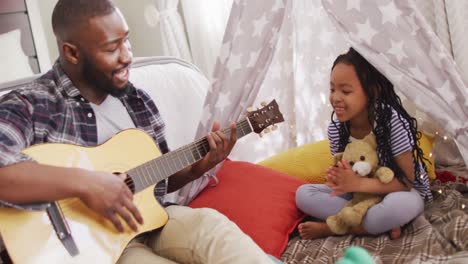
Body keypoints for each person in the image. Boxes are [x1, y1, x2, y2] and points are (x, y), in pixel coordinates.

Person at [0, 0, 277, 263]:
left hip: (153, 221)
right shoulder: (30, 104)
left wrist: (198, 168)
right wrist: (88, 184)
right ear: (72, 52)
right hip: (91, 249)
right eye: (112, 48)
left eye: (126, 40)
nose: (127, 56)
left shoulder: (137, 101)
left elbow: (156, 180)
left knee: (214, 228)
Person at [295, 47, 432, 240]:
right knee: (303, 194)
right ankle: (376, 223)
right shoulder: (336, 128)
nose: (335, 97)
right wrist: (339, 180)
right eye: (332, 89)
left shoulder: (392, 121)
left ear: (372, 92)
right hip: (360, 196)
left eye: (346, 91)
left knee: (398, 207)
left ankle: (339, 227)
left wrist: (359, 183)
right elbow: (347, 181)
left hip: (401, 191)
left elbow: (406, 182)